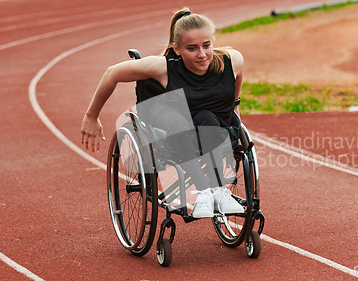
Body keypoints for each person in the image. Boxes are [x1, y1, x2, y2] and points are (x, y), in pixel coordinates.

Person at [81, 8, 245, 218]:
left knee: (208, 118)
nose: (202, 54)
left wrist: (235, 106)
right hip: (173, 119)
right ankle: (204, 190)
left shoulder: (233, 61)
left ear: (213, 41)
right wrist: (91, 116)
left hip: (208, 121)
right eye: (192, 48)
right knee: (180, 122)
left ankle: (220, 190)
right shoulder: (164, 67)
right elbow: (112, 73)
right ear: (177, 49)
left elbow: (235, 85)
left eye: (207, 45)